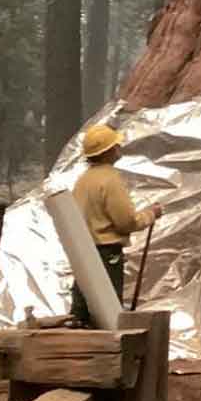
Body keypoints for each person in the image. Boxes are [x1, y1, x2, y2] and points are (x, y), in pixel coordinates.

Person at [70, 125, 161, 326]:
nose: (119, 147)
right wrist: (150, 215)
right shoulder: (110, 180)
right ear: (108, 151)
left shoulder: (83, 181)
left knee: (82, 313)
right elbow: (125, 222)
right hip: (106, 254)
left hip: (84, 253)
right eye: (115, 144)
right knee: (108, 313)